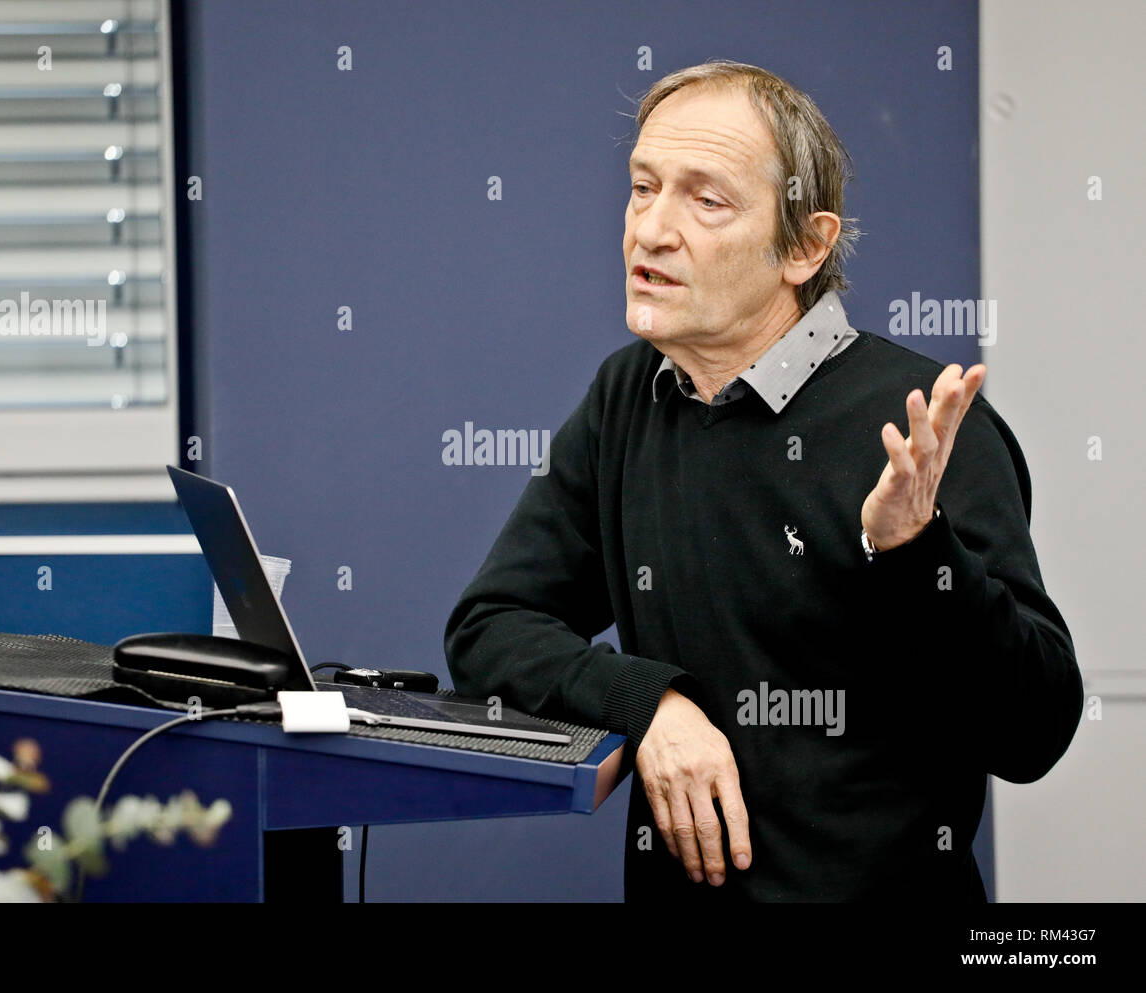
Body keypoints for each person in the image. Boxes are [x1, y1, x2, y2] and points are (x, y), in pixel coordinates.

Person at [444, 60, 1083, 902]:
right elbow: (490, 627)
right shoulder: (627, 395)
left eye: (707, 201)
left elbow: (1033, 730)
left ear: (806, 246)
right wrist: (652, 705)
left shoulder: (923, 426)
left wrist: (916, 552)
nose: (651, 230)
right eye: (644, 188)